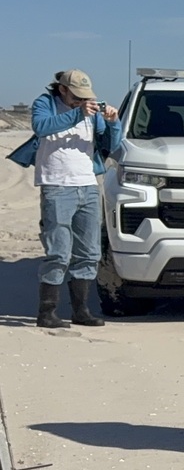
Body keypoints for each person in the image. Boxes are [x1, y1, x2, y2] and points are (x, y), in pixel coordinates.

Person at [12, 69, 123, 328]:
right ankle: (47, 313)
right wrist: (77, 114)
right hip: (56, 186)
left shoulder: (91, 111)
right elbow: (41, 127)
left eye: (85, 97)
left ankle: (81, 311)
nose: (82, 101)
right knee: (59, 252)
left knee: (89, 252)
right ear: (62, 89)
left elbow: (110, 144)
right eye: (76, 96)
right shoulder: (46, 103)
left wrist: (114, 122)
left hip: (87, 185)